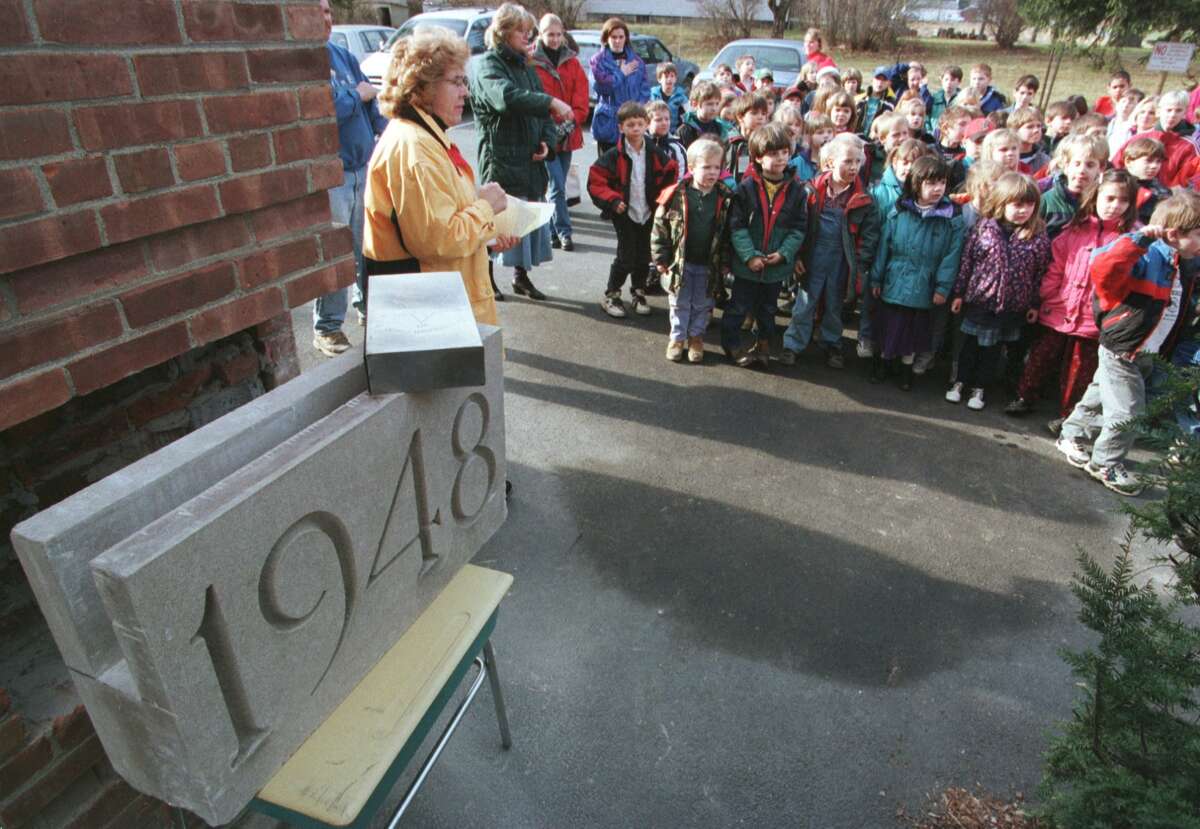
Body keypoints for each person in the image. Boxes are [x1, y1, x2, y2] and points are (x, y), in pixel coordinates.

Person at [362, 26, 517, 329]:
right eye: (456, 82)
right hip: (431, 317)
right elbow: (439, 241)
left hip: (443, 306)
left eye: (465, 81)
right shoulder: (416, 149)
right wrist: (486, 209)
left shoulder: (427, 137)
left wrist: (487, 234)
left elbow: (443, 221)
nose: (466, 92)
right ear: (423, 87)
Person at [1056, 190, 1200, 495]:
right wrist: (1138, 242)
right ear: (1175, 234)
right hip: (1123, 348)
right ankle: (1105, 462)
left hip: (1147, 350)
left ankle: (1072, 433)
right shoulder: (1147, 256)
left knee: (1100, 393)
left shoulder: (1184, 262)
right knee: (1128, 413)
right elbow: (1102, 266)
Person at [1007, 170, 1139, 424]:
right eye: (1109, 198)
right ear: (1095, 196)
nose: (1114, 206)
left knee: (1080, 370)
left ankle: (1069, 415)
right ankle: (1025, 397)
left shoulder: (1129, 238)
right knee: (1041, 358)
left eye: (1122, 200)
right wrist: (1047, 296)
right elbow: (1056, 265)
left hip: (1093, 317)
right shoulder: (1076, 229)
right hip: (1060, 309)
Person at [312, 0, 388, 357]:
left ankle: (367, 307)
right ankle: (327, 327)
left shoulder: (343, 55)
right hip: (333, 176)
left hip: (362, 168)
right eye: (317, 11)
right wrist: (355, 95)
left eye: (328, 11)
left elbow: (371, 103)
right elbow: (323, 111)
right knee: (337, 253)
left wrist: (387, 134)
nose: (326, 18)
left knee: (364, 246)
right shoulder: (301, 62)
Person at [947, 172, 1052, 411]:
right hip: (981, 300)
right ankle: (959, 382)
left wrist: (1035, 304)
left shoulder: (1037, 235)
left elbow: (1040, 272)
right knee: (970, 346)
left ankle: (980, 387)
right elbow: (967, 262)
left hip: (1012, 305)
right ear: (1001, 203)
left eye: (1029, 205)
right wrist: (959, 293)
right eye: (1017, 204)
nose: (1023, 210)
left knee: (993, 350)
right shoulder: (984, 228)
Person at [781, 134, 878, 367]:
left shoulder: (864, 199)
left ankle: (832, 344)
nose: (854, 167)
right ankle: (792, 345)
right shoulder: (811, 191)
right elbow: (798, 226)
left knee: (835, 304)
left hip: (842, 259)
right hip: (813, 256)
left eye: (857, 162)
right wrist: (797, 256)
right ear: (831, 162)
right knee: (805, 303)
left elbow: (869, 237)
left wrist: (859, 266)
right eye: (847, 161)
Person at [868, 154, 964, 389]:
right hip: (895, 280)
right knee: (890, 327)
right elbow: (884, 247)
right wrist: (876, 278)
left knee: (914, 332)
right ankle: (884, 363)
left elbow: (951, 257)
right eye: (931, 183)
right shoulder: (899, 211)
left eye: (941, 183)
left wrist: (942, 287)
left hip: (925, 283)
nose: (937, 189)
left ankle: (906, 370)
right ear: (916, 183)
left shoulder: (951, 219)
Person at [724, 123, 807, 368]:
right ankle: (732, 345)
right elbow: (736, 227)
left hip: (774, 267)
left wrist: (784, 254)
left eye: (784, 152)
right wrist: (749, 256)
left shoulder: (797, 191)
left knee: (768, 311)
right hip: (747, 266)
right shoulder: (745, 189)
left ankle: (763, 345)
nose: (780, 158)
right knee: (738, 308)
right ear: (758, 158)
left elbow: (799, 228)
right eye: (773, 154)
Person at [588, 102, 678, 318]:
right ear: (621, 128)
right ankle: (611, 294)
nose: (636, 129)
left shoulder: (655, 153)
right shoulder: (612, 155)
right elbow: (595, 181)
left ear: (647, 125)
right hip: (625, 213)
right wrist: (612, 201)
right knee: (625, 256)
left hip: (648, 212)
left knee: (643, 256)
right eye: (630, 125)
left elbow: (670, 175)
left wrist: (662, 203)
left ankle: (638, 291)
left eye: (639, 124)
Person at [652, 139, 733, 363]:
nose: (713, 172)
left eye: (717, 167)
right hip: (680, 262)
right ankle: (677, 338)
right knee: (679, 301)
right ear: (691, 168)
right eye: (706, 167)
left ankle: (696, 337)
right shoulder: (675, 194)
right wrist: (660, 258)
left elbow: (728, 235)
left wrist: (726, 261)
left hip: (709, 264)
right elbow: (660, 228)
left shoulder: (725, 198)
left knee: (703, 303)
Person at [531, 13, 590, 253]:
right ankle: (564, 232)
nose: (555, 39)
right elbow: (534, 99)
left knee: (558, 185)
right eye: (550, 34)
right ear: (541, 35)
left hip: (567, 134)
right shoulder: (532, 63)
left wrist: (571, 120)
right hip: (544, 134)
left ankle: (553, 232)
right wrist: (549, 127)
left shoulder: (573, 63)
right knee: (556, 185)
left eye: (558, 34)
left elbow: (581, 98)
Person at [589, 17, 650, 154]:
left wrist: (634, 112)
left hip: (631, 123)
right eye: (613, 37)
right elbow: (601, 87)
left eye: (621, 37)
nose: (617, 41)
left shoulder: (637, 62)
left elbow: (645, 91)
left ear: (626, 38)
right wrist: (621, 73)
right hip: (608, 122)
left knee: (631, 170)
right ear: (606, 38)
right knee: (607, 169)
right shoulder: (597, 61)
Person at [1041, 133, 1106, 239]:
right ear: (1066, 166)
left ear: (1100, 168)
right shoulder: (1047, 202)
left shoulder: (1100, 201)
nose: (1082, 170)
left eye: (1090, 165)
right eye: (1077, 164)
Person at [1121, 136, 1171, 223]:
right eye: (1148, 160)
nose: (1154, 166)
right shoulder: (1118, 186)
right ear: (1129, 161)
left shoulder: (1162, 191)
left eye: (1158, 161)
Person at [676, 81, 727, 147]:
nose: (714, 108)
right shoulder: (685, 130)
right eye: (709, 104)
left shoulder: (720, 128)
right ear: (695, 104)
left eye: (717, 104)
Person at [1009, 107, 1051, 175]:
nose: (1036, 130)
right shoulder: (1007, 156)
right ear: (1015, 130)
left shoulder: (1044, 160)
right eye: (1030, 127)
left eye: (1039, 126)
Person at [857, 66, 896, 139]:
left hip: (875, 140)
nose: (880, 82)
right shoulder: (860, 99)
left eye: (884, 80)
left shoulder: (891, 103)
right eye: (877, 78)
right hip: (856, 137)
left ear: (889, 83)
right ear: (872, 80)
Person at [650, 62, 689, 133]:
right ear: (659, 79)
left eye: (672, 76)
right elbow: (646, 112)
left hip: (674, 131)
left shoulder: (680, 96)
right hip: (656, 130)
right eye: (666, 76)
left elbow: (689, 112)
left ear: (675, 79)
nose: (669, 79)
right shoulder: (653, 94)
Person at [927, 65, 962, 134]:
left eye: (952, 80)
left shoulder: (962, 99)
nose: (949, 83)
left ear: (959, 82)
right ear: (941, 80)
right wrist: (930, 132)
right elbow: (926, 118)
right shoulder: (933, 98)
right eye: (946, 79)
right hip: (933, 136)